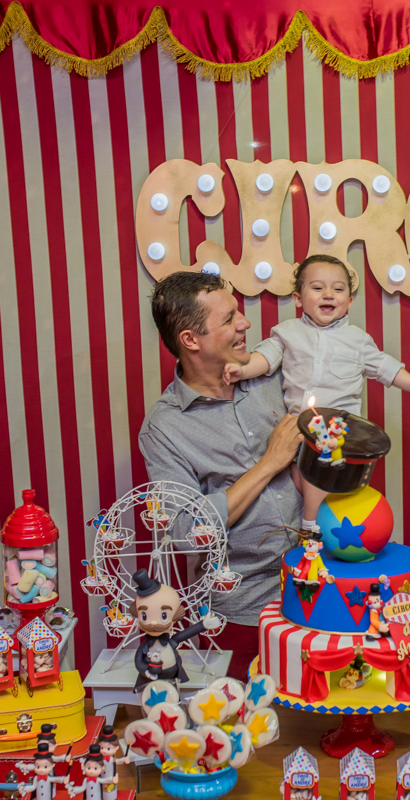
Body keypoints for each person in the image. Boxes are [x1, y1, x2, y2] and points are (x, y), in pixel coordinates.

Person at [139, 272, 304, 679]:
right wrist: (269, 463)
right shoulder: (164, 428)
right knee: (248, 717)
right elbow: (185, 530)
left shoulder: (272, 376)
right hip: (241, 610)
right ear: (190, 339)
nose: (245, 324)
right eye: (229, 319)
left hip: (319, 589)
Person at [224, 254, 410, 532]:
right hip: (296, 430)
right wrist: (242, 371)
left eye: (338, 289)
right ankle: (314, 523)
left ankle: (310, 529)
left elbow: (385, 367)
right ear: (298, 298)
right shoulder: (287, 332)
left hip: (337, 432)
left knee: (319, 471)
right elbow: (265, 357)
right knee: (297, 477)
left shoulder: (358, 340)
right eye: (318, 288)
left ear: (349, 302)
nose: (328, 294)